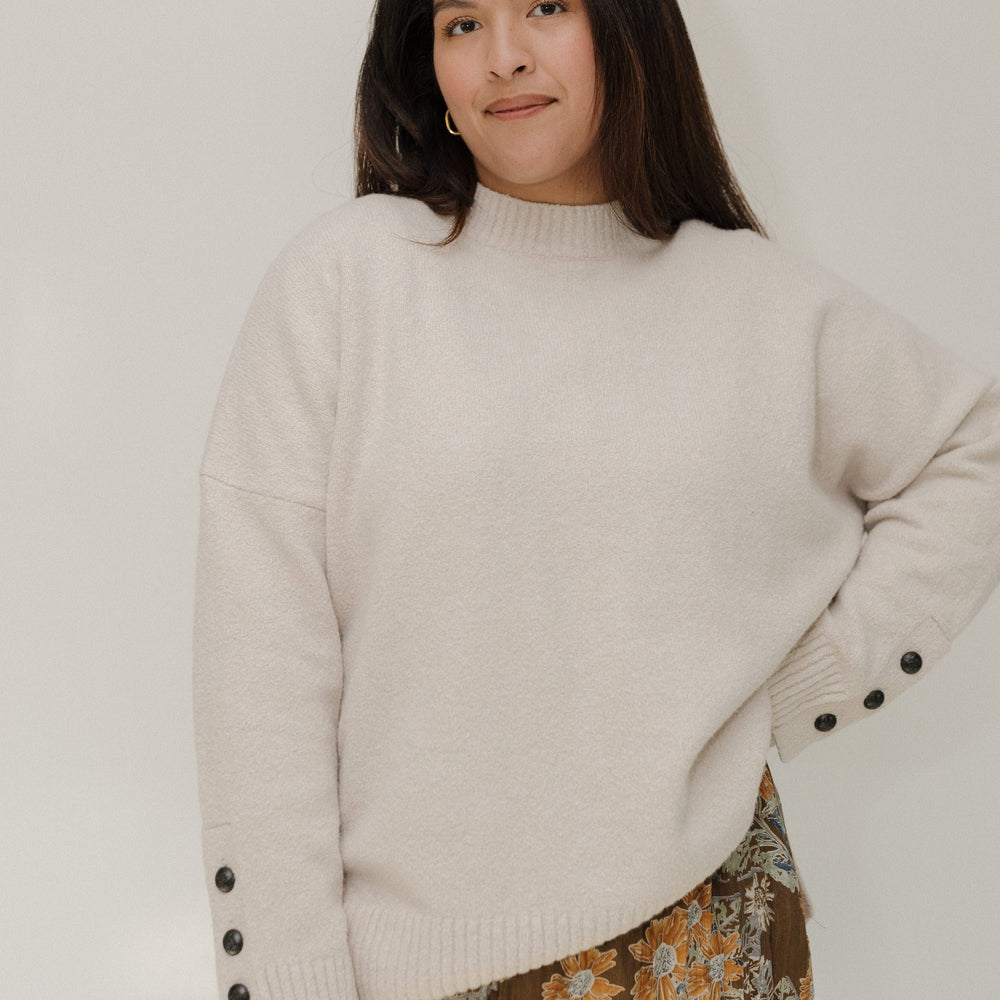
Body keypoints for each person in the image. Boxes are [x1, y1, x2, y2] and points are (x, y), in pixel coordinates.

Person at [191, 0, 1000, 998]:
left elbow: (973, 448)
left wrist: (806, 686)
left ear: (627, 29)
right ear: (425, 63)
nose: (502, 57)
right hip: (410, 965)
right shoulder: (348, 280)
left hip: (708, 935)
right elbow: (261, 673)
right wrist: (286, 974)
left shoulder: (756, 299)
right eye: (459, 24)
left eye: (544, 7)